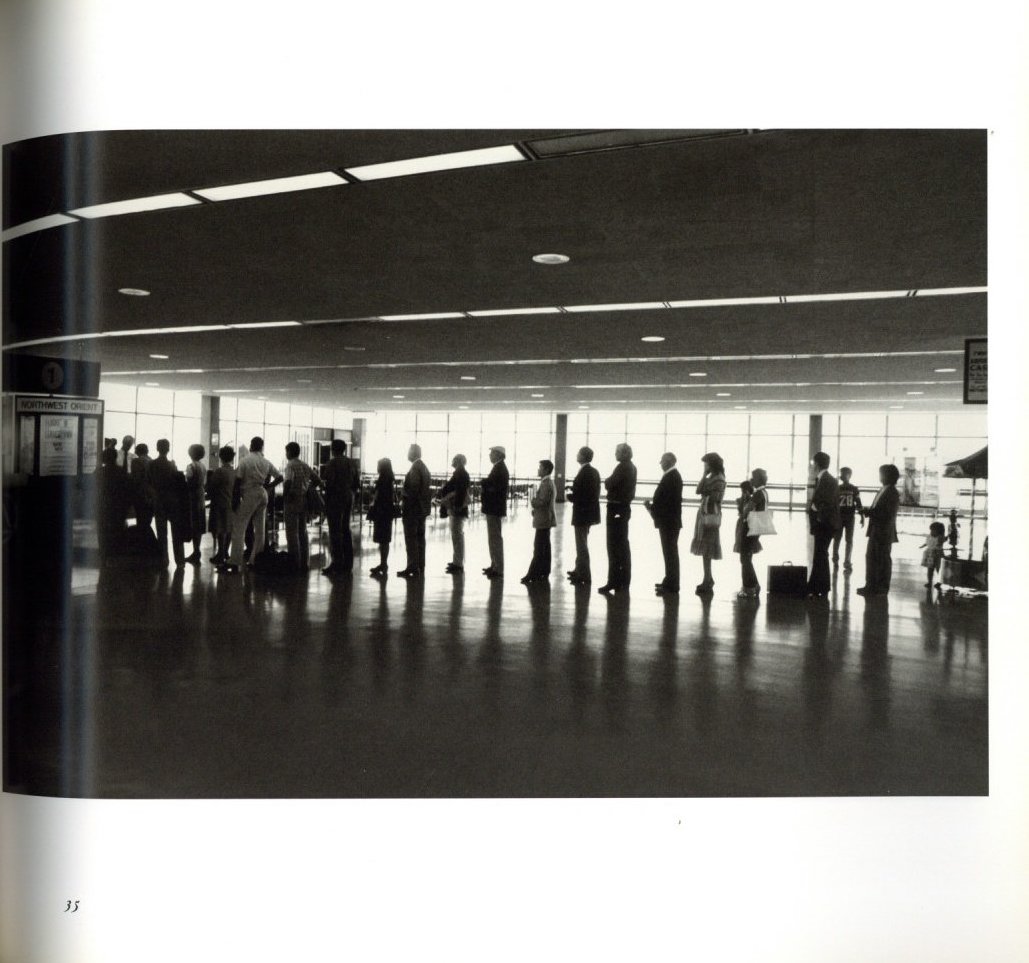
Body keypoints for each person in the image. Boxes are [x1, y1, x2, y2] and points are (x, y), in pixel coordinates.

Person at [221, 436, 283, 573]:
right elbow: (280, 477)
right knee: (260, 529)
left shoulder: (245, 460)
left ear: (251, 445)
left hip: (249, 494)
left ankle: (234, 561)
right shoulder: (266, 461)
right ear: (262, 447)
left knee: (239, 526)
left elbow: (238, 481)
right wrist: (268, 486)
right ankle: (255, 560)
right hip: (262, 493)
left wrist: (235, 500)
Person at [598, 442, 637, 595]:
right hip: (624, 508)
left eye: (617, 451)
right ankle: (624, 580)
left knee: (613, 546)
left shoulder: (622, 467)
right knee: (622, 545)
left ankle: (613, 581)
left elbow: (609, 483)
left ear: (624, 453)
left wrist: (608, 482)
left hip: (616, 508)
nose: (615, 454)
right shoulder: (632, 467)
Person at [857, 463, 901, 597]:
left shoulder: (892, 492)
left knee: (882, 560)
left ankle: (882, 588)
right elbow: (878, 509)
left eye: (881, 474)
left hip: (883, 531)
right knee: (871, 558)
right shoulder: (883, 490)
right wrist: (869, 512)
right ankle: (870, 585)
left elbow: (887, 513)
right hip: (876, 529)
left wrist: (869, 512)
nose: (879, 476)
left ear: (888, 476)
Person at [645, 451, 683, 595]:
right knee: (669, 553)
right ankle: (669, 581)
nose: (661, 463)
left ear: (669, 461)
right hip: (670, 521)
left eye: (663, 460)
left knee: (670, 553)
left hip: (668, 522)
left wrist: (652, 508)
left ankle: (672, 585)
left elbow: (665, 501)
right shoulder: (673, 476)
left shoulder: (671, 477)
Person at [806, 451, 842, 598]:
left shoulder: (828, 480)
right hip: (824, 523)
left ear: (817, 464)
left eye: (812, 463)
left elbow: (827, 503)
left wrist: (814, 508)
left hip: (825, 524)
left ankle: (818, 587)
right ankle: (817, 587)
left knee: (820, 554)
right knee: (820, 555)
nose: (811, 466)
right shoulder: (824, 479)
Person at [690, 451, 726, 596]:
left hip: (710, 514)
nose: (705, 466)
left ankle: (708, 579)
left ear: (712, 464)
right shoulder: (711, 477)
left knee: (708, 547)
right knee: (706, 547)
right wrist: (704, 476)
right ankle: (707, 578)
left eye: (706, 464)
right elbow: (698, 490)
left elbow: (715, 497)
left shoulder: (719, 479)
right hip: (705, 513)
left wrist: (706, 491)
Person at [321, 438, 358, 576]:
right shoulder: (351, 462)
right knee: (345, 529)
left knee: (335, 531)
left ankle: (336, 562)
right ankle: (348, 563)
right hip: (348, 497)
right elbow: (356, 483)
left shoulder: (332, 463)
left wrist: (327, 499)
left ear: (333, 450)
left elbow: (329, 482)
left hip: (335, 498)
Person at [147, 438, 186, 568]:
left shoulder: (152, 464)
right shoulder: (172, 465)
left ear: (157, 449)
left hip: (159, 501)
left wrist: (153, 496)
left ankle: (164, 560)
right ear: (168, 449)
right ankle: (180, 561)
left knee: (162, 533)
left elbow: (148, 482)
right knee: (177, 532)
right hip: (173, 501)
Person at [566, 446, 600, 585]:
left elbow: (584, 495)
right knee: (582, 542)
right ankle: (578, 569)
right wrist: (574, 489)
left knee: (581, 544)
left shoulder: (586, 472)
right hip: (588, 513)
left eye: (579, 453)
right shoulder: (593, 471)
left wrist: (570, 496)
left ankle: (584, 575)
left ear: (584, 456)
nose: (577, 455)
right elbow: (589, 490)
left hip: (582, 513)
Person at [734, 469, 769, 598]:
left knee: (745, 558)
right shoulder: (764, 492)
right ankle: (751, 585)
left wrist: (744, 506)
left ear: (759, 479)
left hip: (751, 527)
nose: (751, 480)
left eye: (753, 477)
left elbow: (746, 510)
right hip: (758, 526)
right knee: (747, 557)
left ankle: (750, 587)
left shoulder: (758, 494)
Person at [398, 443, 431, 578]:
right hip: (422, 509)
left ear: (413, 453)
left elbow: (413, 489)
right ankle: (420, 566)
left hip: (412, 509)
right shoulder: (424, 467)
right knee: (420, 538)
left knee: (411, 538)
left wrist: (404, 495)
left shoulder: (415, 468)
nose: (407, 454)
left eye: (409, 451)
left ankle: (412, 566)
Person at [522, 459, 557, 583]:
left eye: (540, 467)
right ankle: (544, 571)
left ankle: (533, 573)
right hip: (545, 518)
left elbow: (542, 502)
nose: (538, 469)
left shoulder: (546, 484)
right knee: (545, 547)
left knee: (538, 547)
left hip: (543, 520)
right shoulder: (548, 483)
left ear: (546, 470)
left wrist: (533, 501)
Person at [283, 441, 315, 572]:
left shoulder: (290, 465)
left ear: (290, 452)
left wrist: (285, 497)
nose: (286, 454)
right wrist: (307, 488)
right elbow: (317, 479)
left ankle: (294, 563)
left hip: (292, 501)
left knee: (292, 533)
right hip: (304, 501)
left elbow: (288, 482)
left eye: (286, 451)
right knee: (303, 532)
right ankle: (304, 563)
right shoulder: (305, 465)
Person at [438, 453, 471, 574]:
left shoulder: (461, 473)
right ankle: (457, 561)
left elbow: (460, 492)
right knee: (457, 535)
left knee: (457, 535)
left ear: (459, 461)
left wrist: (456, 506)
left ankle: (458, 563)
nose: (452, 461)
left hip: (457, 508)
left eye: (454, 459)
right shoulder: (460, 473)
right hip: (456, 508)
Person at [95, 447, 130, 560]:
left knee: (103, 533)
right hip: (118, 508)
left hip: (103, 507)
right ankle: (115, 556)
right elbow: (126, 492)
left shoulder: (99, 472)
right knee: (117, 532)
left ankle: (104, 556)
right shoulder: (121, 472)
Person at [481, 445, 510, 579]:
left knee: (495, 538)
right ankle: (494, 564)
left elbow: (494, 488)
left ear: (498, 455)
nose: (490, 455)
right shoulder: (498, 467)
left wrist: (484, 483)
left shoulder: (500, 469)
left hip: (494, 508)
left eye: (492, 453)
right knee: (492, 538)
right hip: (493, 508)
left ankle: (498, 568)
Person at [206, 446, 236, 565]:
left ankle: (220, 553)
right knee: (228, 528)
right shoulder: (234, 472)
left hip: (219, 503)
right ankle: (226, 552)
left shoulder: (219, 471)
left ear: (221, 457)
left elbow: (211, 487)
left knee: (220, 529)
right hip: (230, 502)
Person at [368, 457, 397, 577]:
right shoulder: (390, 480)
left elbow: (377, 496)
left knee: (382, 539)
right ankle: (383, 563)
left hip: (381, 511)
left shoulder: (382, 480)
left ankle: (383, 563)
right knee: (385, 539)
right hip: (387, 511)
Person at [832, 466, 864, 572]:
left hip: (850, 518)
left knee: (849, 540)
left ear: (850, 475)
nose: (842, 475)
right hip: (839, 517)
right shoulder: (837, 488)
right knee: (837, 538)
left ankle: (847, 562)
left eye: (844, 473)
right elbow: (833, 503)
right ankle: (835, 559)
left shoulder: (854, 489)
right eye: (841, 473)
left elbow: (858, 503)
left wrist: (862, 516)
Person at [184, 443, 207, 565]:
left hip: (192, 496)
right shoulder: (203, 466)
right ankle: (197, 550)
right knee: (199, 523)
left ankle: (196, 551)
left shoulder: (191, 466)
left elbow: (188, 482)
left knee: (193, 523)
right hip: (201, 495)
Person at [130, 442, 155, 531]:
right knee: (148, 520)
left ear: (137, 451)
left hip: (140, 494)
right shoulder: (152, 461)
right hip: (151, 494)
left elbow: (136, 479)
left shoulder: (135, 461)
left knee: (140, 519)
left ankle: (141, 537)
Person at [921, 521, 946, 589]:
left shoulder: (940, 538)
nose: (931, 532)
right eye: (931, 530)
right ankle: (929, 582)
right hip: (930, 555)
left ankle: (939, 582)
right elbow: (927, 543)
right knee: (930, 569)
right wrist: (923, 545)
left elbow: (941, 542)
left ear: (939, 532)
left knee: (938, 569)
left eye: (933, 530)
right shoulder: (929, 536)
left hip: (937, 554)